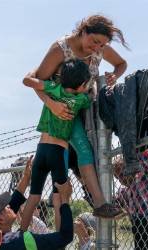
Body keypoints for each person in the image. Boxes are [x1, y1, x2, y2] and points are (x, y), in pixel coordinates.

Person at [31, 14, 128, 218]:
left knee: (92, 153)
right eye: (94, 41)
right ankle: (97, 203)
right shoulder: (60, 49)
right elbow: (36, 81)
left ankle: (93, 201)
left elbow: (121, 64)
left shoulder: (100, 47)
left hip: (89, 110)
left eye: (102, 44)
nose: (97, 48)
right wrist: (53, 105)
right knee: (76, 152)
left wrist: (114, 76)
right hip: (63, 111)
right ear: (83, 31)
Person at [21, 58, 91, 231]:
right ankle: (59, 238)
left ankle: (21, 233)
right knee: (60, 197)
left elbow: (28, 81)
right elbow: (89, 97)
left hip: (41, 150)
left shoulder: (53, 88)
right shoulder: (81, 99)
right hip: (59, 152)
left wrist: (39, 70)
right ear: (82, 84)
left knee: (34, 197)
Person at [0, 156, 74, 250]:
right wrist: (65, 199)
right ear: (0, 219)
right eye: (5, 206)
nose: (9, 205)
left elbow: (15, 200)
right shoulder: (23, 241)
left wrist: (26, 177)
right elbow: (65, 236)